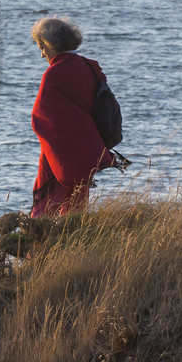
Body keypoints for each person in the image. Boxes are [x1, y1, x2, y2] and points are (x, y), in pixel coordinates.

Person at [29, 17, 121, 216]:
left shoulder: (53, 74)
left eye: (41, 47)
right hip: (86, 147)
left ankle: (39, 239)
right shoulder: (88, 67)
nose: (42, 54)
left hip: (57, 150)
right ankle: (74, 238)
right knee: (78, 200)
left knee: (45, 199)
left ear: (49, 44)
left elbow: (40, 116)